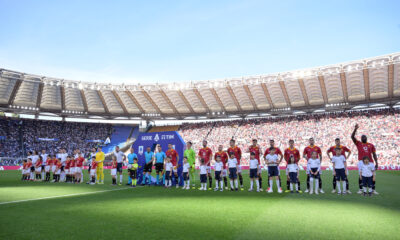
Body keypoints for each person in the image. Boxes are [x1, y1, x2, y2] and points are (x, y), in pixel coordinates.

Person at [351, 124, 379, 195]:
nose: (363, 138)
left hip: (370, 162)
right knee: (361, 175)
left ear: (366, 138)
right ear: (361, 139)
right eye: (362, 137)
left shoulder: (371, 145)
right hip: (361, 161)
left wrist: (376, 162)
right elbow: (352, 137)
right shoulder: (358, 143)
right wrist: (355, 129)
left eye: (364, 137)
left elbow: (374, 154)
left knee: (372, 175)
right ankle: (360, 189)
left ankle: (373, 190)